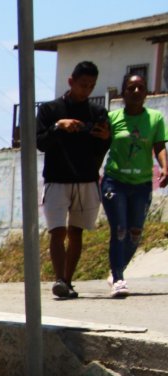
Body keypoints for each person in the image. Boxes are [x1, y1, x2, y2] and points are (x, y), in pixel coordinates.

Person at [35, 60, 111, 300]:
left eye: (91, 86)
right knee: (57, 232)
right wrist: (59, 127)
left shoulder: (97, 113)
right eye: (82, 84)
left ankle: (67, 280)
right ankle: (58, 279)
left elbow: (103, 145)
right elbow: (40, 142)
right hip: (57, 179)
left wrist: (105, 137)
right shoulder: (49, 110)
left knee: (76, 232)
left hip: (86, 179)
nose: (86, 90)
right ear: (71, 82)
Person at [101, 73, 168, 298]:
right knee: (119, 229)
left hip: (141, 183)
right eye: (131, 88)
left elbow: (159, 145)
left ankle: (116, 268)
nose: (136, 91)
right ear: (123, 93)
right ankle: (119, 278)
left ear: (147, 92)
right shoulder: (113, 118)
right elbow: (100, 146)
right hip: (115, 181)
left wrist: (165, 167)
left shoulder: (155, 118)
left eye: (140, 87)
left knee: (135, 233)